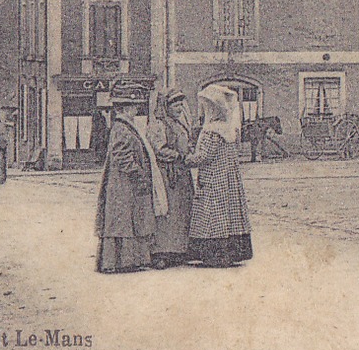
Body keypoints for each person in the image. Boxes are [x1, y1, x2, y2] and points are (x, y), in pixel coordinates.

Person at [95, 89, 168, 274]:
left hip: (126, 183)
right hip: (122, 183)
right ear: (125, 109)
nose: (136, 110)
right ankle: (121, 261)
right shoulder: (121, 127)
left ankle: (129, 260)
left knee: (130, 219)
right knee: (123, 220)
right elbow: (121, 155)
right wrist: (137, 173)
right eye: (133, 106)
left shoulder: (125, 126)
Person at [185, 84, 252, 267]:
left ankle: (214, 255)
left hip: (214, 178)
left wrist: (185, 159)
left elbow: (204, 156)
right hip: (228, 179)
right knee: (229, 214)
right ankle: (231, 254)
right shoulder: (228, 129)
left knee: (212, 215)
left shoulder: (211, 131)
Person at [147, 89, 195, 269]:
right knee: (166, 212)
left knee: (182, 211)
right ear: (166, 106)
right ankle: (161, 253)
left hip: (181, 173)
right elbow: (158, 149)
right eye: (175, 104)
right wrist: (178, 156)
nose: (179, 108)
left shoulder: (179, 124)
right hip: (167, 175)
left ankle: (179, 251)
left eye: (181, 104)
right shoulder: (158, 125)